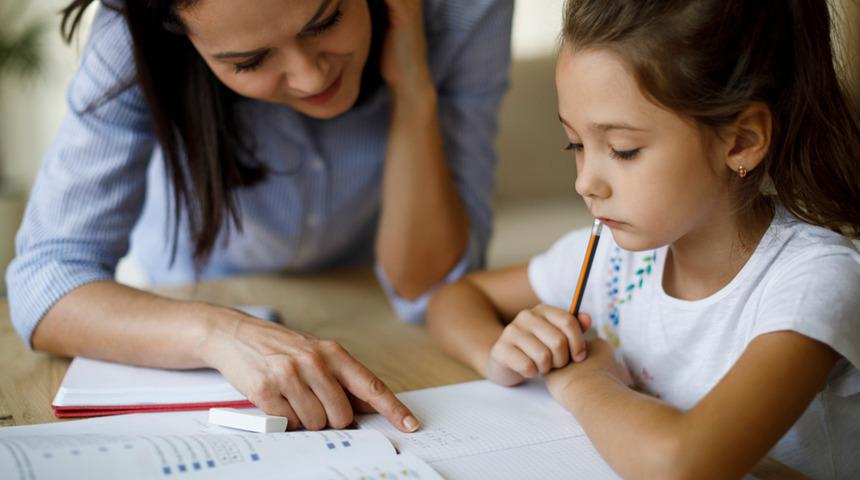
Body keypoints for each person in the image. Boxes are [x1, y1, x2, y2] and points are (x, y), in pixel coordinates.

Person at [7, 0, 513, 433]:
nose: (311, 76)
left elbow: (429, 287)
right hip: (200, 293)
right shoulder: (129, 27)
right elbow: (45, 281)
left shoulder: (464, 10)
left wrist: (414, 88)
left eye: (326, 20)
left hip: (369, 301)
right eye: (249, 61)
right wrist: (219, 334)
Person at [427, 0, 860, 477]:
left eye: (622, 150)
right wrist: (500, 353)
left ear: (741, 141)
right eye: (576, 144)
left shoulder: (814, 281)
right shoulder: (614, 259)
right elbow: (453, 299)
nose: (585, 182)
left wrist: (582, 381)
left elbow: (683, 463)